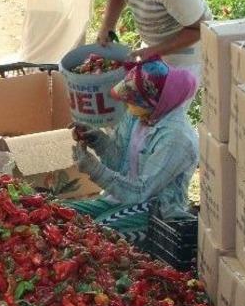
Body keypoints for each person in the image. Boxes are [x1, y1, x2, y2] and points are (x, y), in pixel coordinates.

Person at [68, 58, 199, 245]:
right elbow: (120, 161)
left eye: (132, 101)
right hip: (122, 198)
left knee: (91, 237)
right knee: (62, 215)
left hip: (156, 212)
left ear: (153, 102)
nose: (127, 104)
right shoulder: (138, 116)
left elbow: (141, 193)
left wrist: (95, 170)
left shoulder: (177, 139)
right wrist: (98, 140)